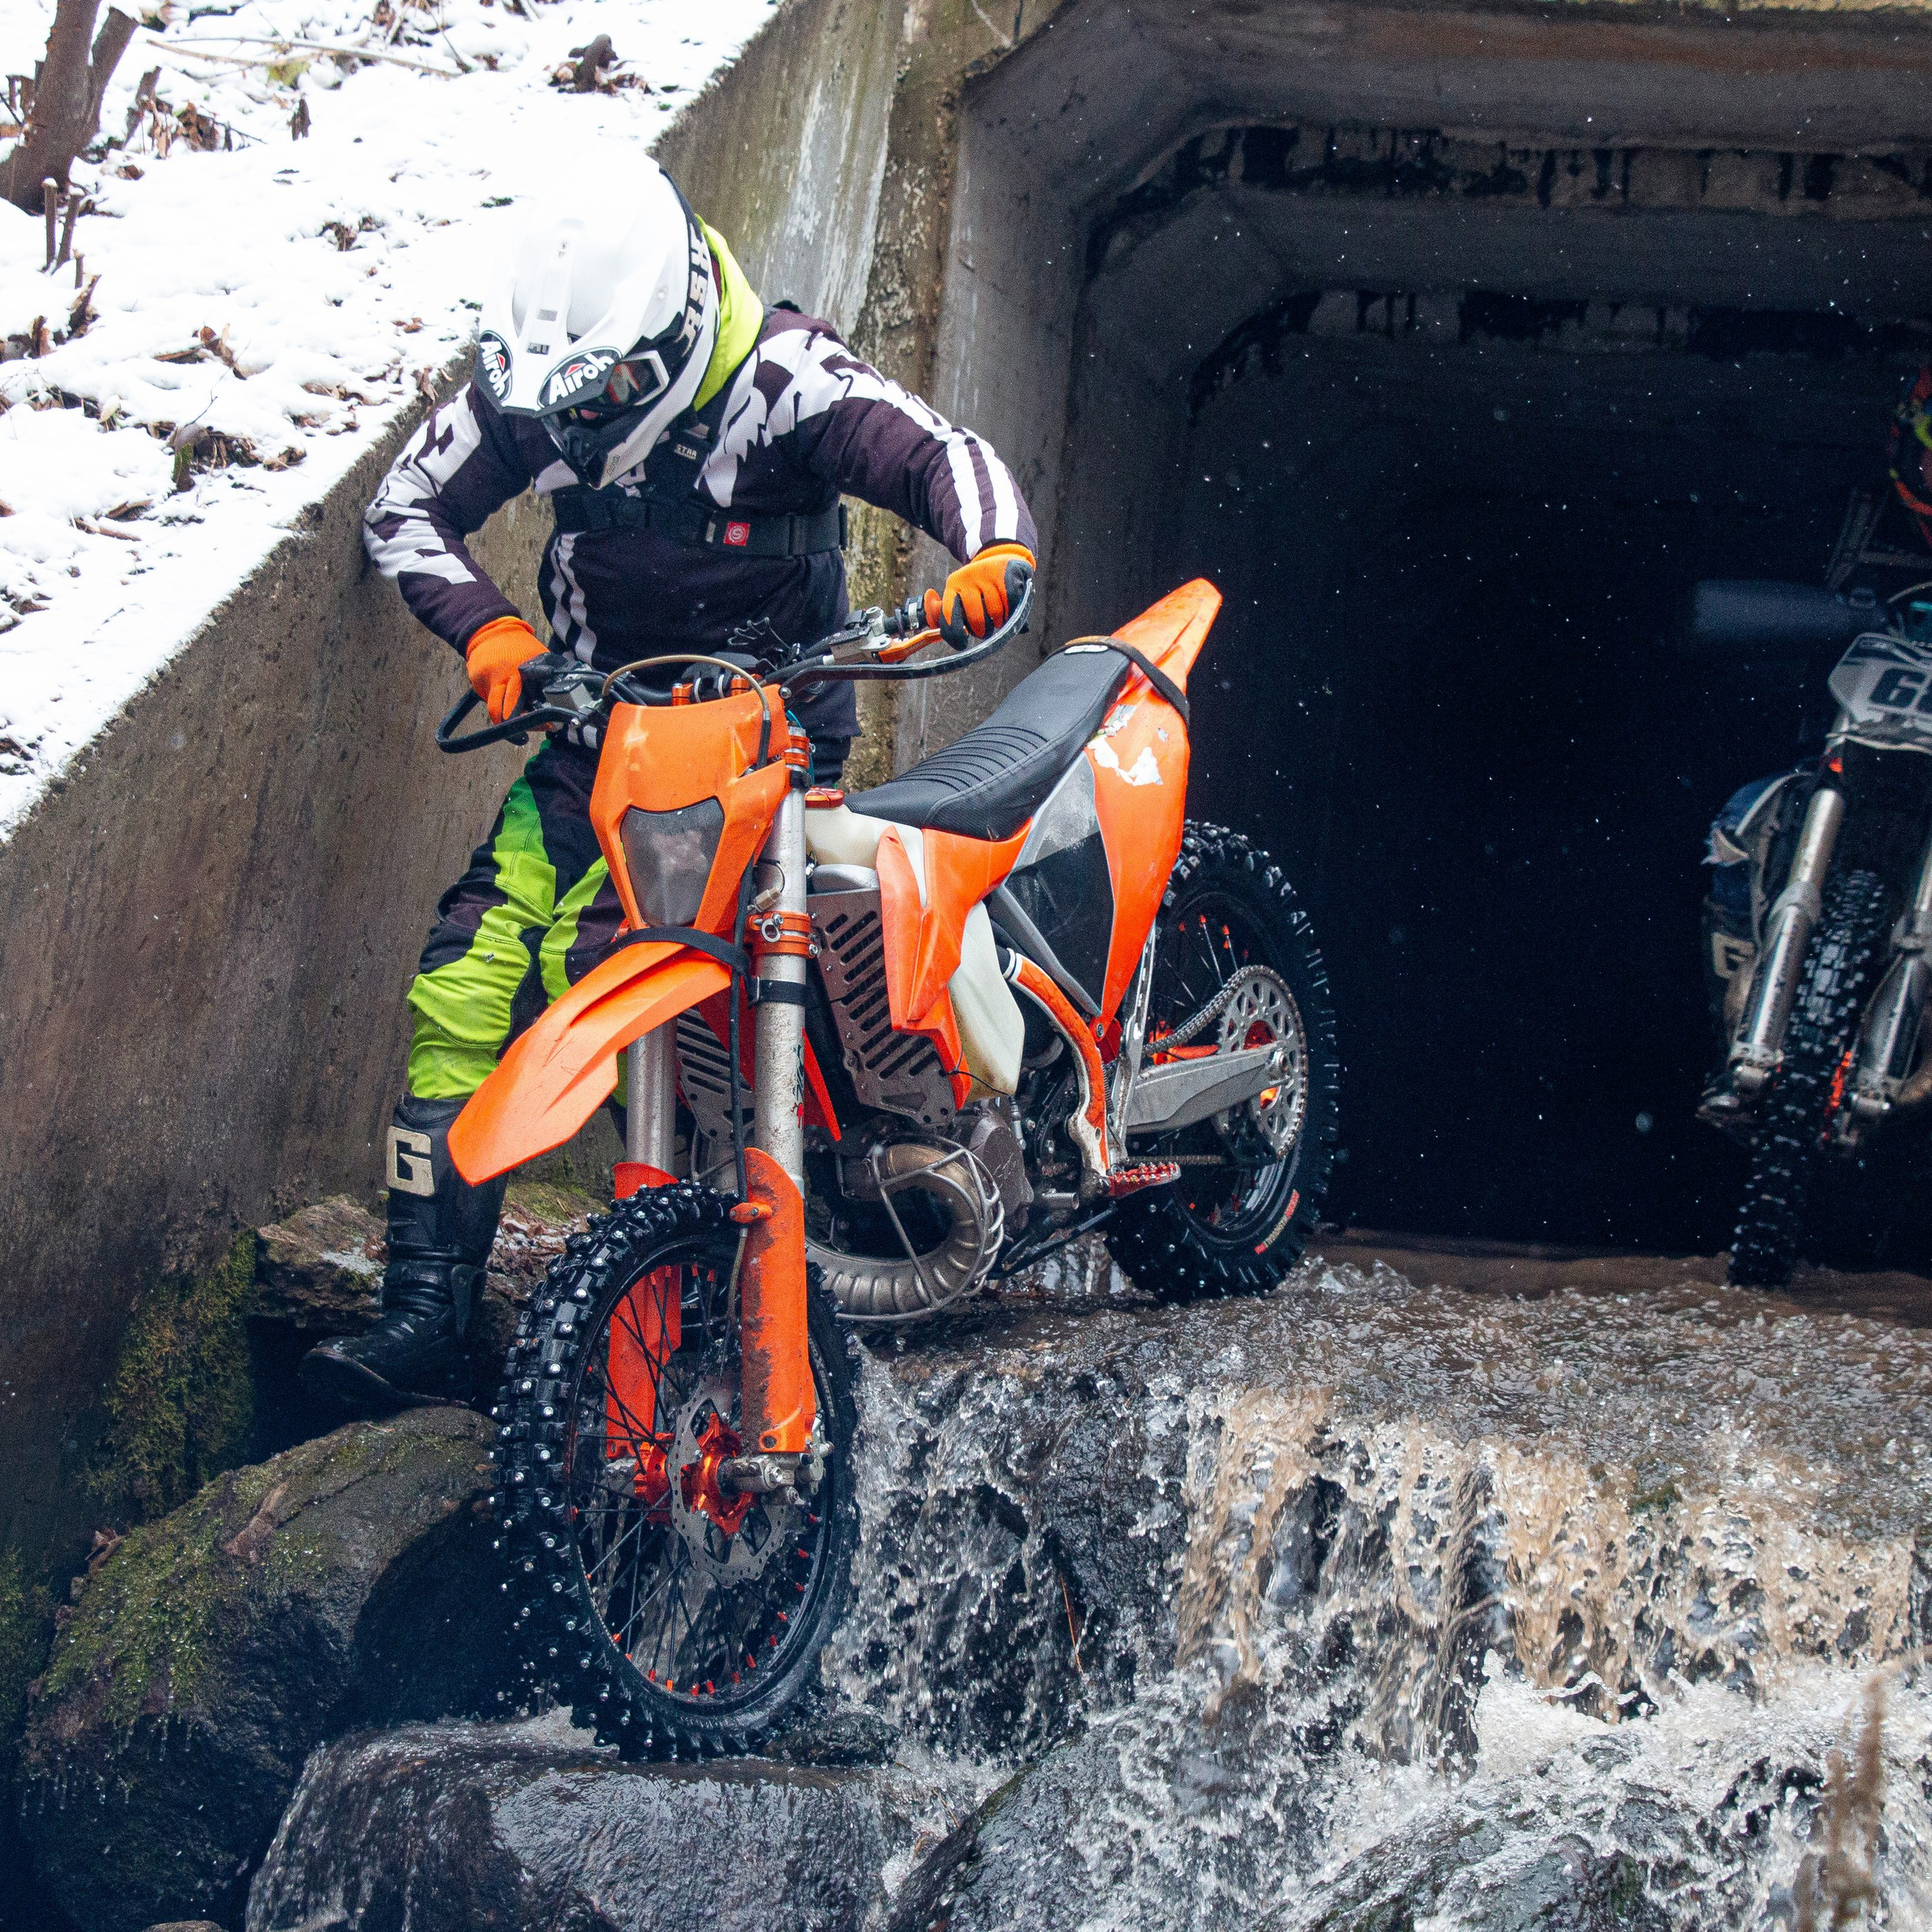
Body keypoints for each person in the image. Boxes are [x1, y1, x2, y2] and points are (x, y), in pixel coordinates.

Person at [301, 155, 1037, 1409]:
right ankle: (425, 1312)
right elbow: (405, 506)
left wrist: (995, 554)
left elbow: (942, 457)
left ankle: (827, 1205)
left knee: (696, 981)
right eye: (553, 412)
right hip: (598, 732)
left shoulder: (785, 384)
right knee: (475, 968)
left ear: (673, 330)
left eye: (599, 404)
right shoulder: (530, 395)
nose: (570, 436)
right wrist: (492, 634)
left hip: (774, 740)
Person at [1700, 365, 1932, 1128]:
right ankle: (1743, 1014)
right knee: (1742, 821)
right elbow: (1753, 618)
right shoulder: (1849, 526)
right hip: (1849, 755)